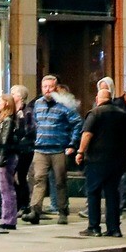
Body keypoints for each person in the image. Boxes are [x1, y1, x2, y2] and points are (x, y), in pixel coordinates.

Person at [76, 78, 126, 237]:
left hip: (97, 160)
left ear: (97, 99)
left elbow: (87, 134)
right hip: (117, 160)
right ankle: (114, 228)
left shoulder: (94, 113)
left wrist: (80, 152)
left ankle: (94, 227)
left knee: (93, 192)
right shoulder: (122, 114)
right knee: (112, 194)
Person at [26, 75, 79, 223]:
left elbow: (77, 123)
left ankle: (63, 211)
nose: (48, 90)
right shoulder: (38, 104)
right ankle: (35, 210)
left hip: (58, 148)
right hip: (41, 148)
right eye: (45, 87)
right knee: (39, 179)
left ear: (55, 88)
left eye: (51, 87)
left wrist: (72, 143)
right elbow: (35, 122)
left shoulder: (64, 105)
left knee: (60, 181)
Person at [0, 88, 27, 229]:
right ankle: (8, 217)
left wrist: (2, 156)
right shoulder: (7, 120)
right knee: (7, 187)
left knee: (6, 188)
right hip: (8, 156)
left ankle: (8, 219)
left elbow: (4, 139)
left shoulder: (7, 121)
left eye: (0, 101)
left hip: (6, 157)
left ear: (6, 103)